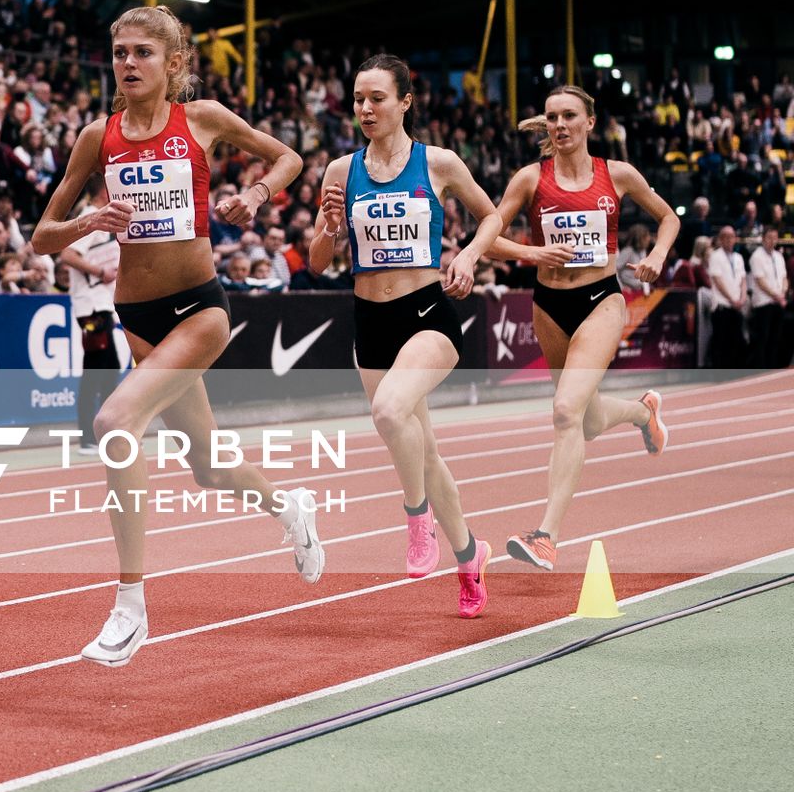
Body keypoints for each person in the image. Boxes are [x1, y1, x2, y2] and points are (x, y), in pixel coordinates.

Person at [33, 4, 319, 669]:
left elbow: (288, 158)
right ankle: (290, 507)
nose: (128, 64)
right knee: (209, 465)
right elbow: (42, 234)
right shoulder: (95, 137)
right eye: (120, 53)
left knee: (113, 420)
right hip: (136, 317)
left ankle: (129, 606)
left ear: (173, 64)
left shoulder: (204, 119)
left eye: (142, 53)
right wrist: (87, 222)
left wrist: (255, 195)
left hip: (199, 309)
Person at [311, 53, 501, 618]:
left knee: (391, 412)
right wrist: (328, 226)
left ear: (405, 102)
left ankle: (418, 522)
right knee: (429, 451)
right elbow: (321, 261)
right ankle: (470, 556)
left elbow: (490, 216)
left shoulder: (437, 162)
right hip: (369, 323)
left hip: (427, 316)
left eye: (377, 98)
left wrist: (466, 254)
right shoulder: (341, 171)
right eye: (358, 99)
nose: (365, 108)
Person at [490, 84, 680, 570]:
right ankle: (643, 413)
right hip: (549, 304)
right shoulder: (530, 179)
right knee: (587, 420)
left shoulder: (616, 175)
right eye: (551, 117)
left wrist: (657, 254)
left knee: (564, 411)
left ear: (589, 123)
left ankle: (546, 535)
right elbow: (488, 239)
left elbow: (668, 218)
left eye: (569, 116)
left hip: (602, 299)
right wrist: (532, 253)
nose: (559, 125)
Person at [58, 184, 122, 451]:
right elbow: (67, 255)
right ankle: (88, 437)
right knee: (95, 373)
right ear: (104, 191)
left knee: (110, 372)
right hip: (91, 310)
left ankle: (104, 433)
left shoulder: (104, 219)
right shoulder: (90, 215)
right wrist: (99, 271)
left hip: (103, 306)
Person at [706, 224, 748, 368]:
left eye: (732, 237)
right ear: (721, 239)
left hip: (737, 306)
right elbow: (718, 282)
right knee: (721, 341)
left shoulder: (738, 257)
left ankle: (734, 371)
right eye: (726, 237)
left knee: (737, 340)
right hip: (722, 305)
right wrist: (732, 299)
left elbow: (743, 280)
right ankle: (719, 372)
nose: (729, 240)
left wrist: (742, 298)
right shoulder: (715, 256)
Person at [748, 226, 789, 367]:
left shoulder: (779, 256)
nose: (772, 241)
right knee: (762, 339)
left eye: (775, 238)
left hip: (778, 302)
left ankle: (772, 367)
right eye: (769, 238)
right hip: (763, 303)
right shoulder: (757, 256)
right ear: (763, 239)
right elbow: (761, 282)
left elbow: (784, 278)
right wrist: (778, 296)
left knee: (776, 338)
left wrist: (783, 292)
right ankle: (760, 368)